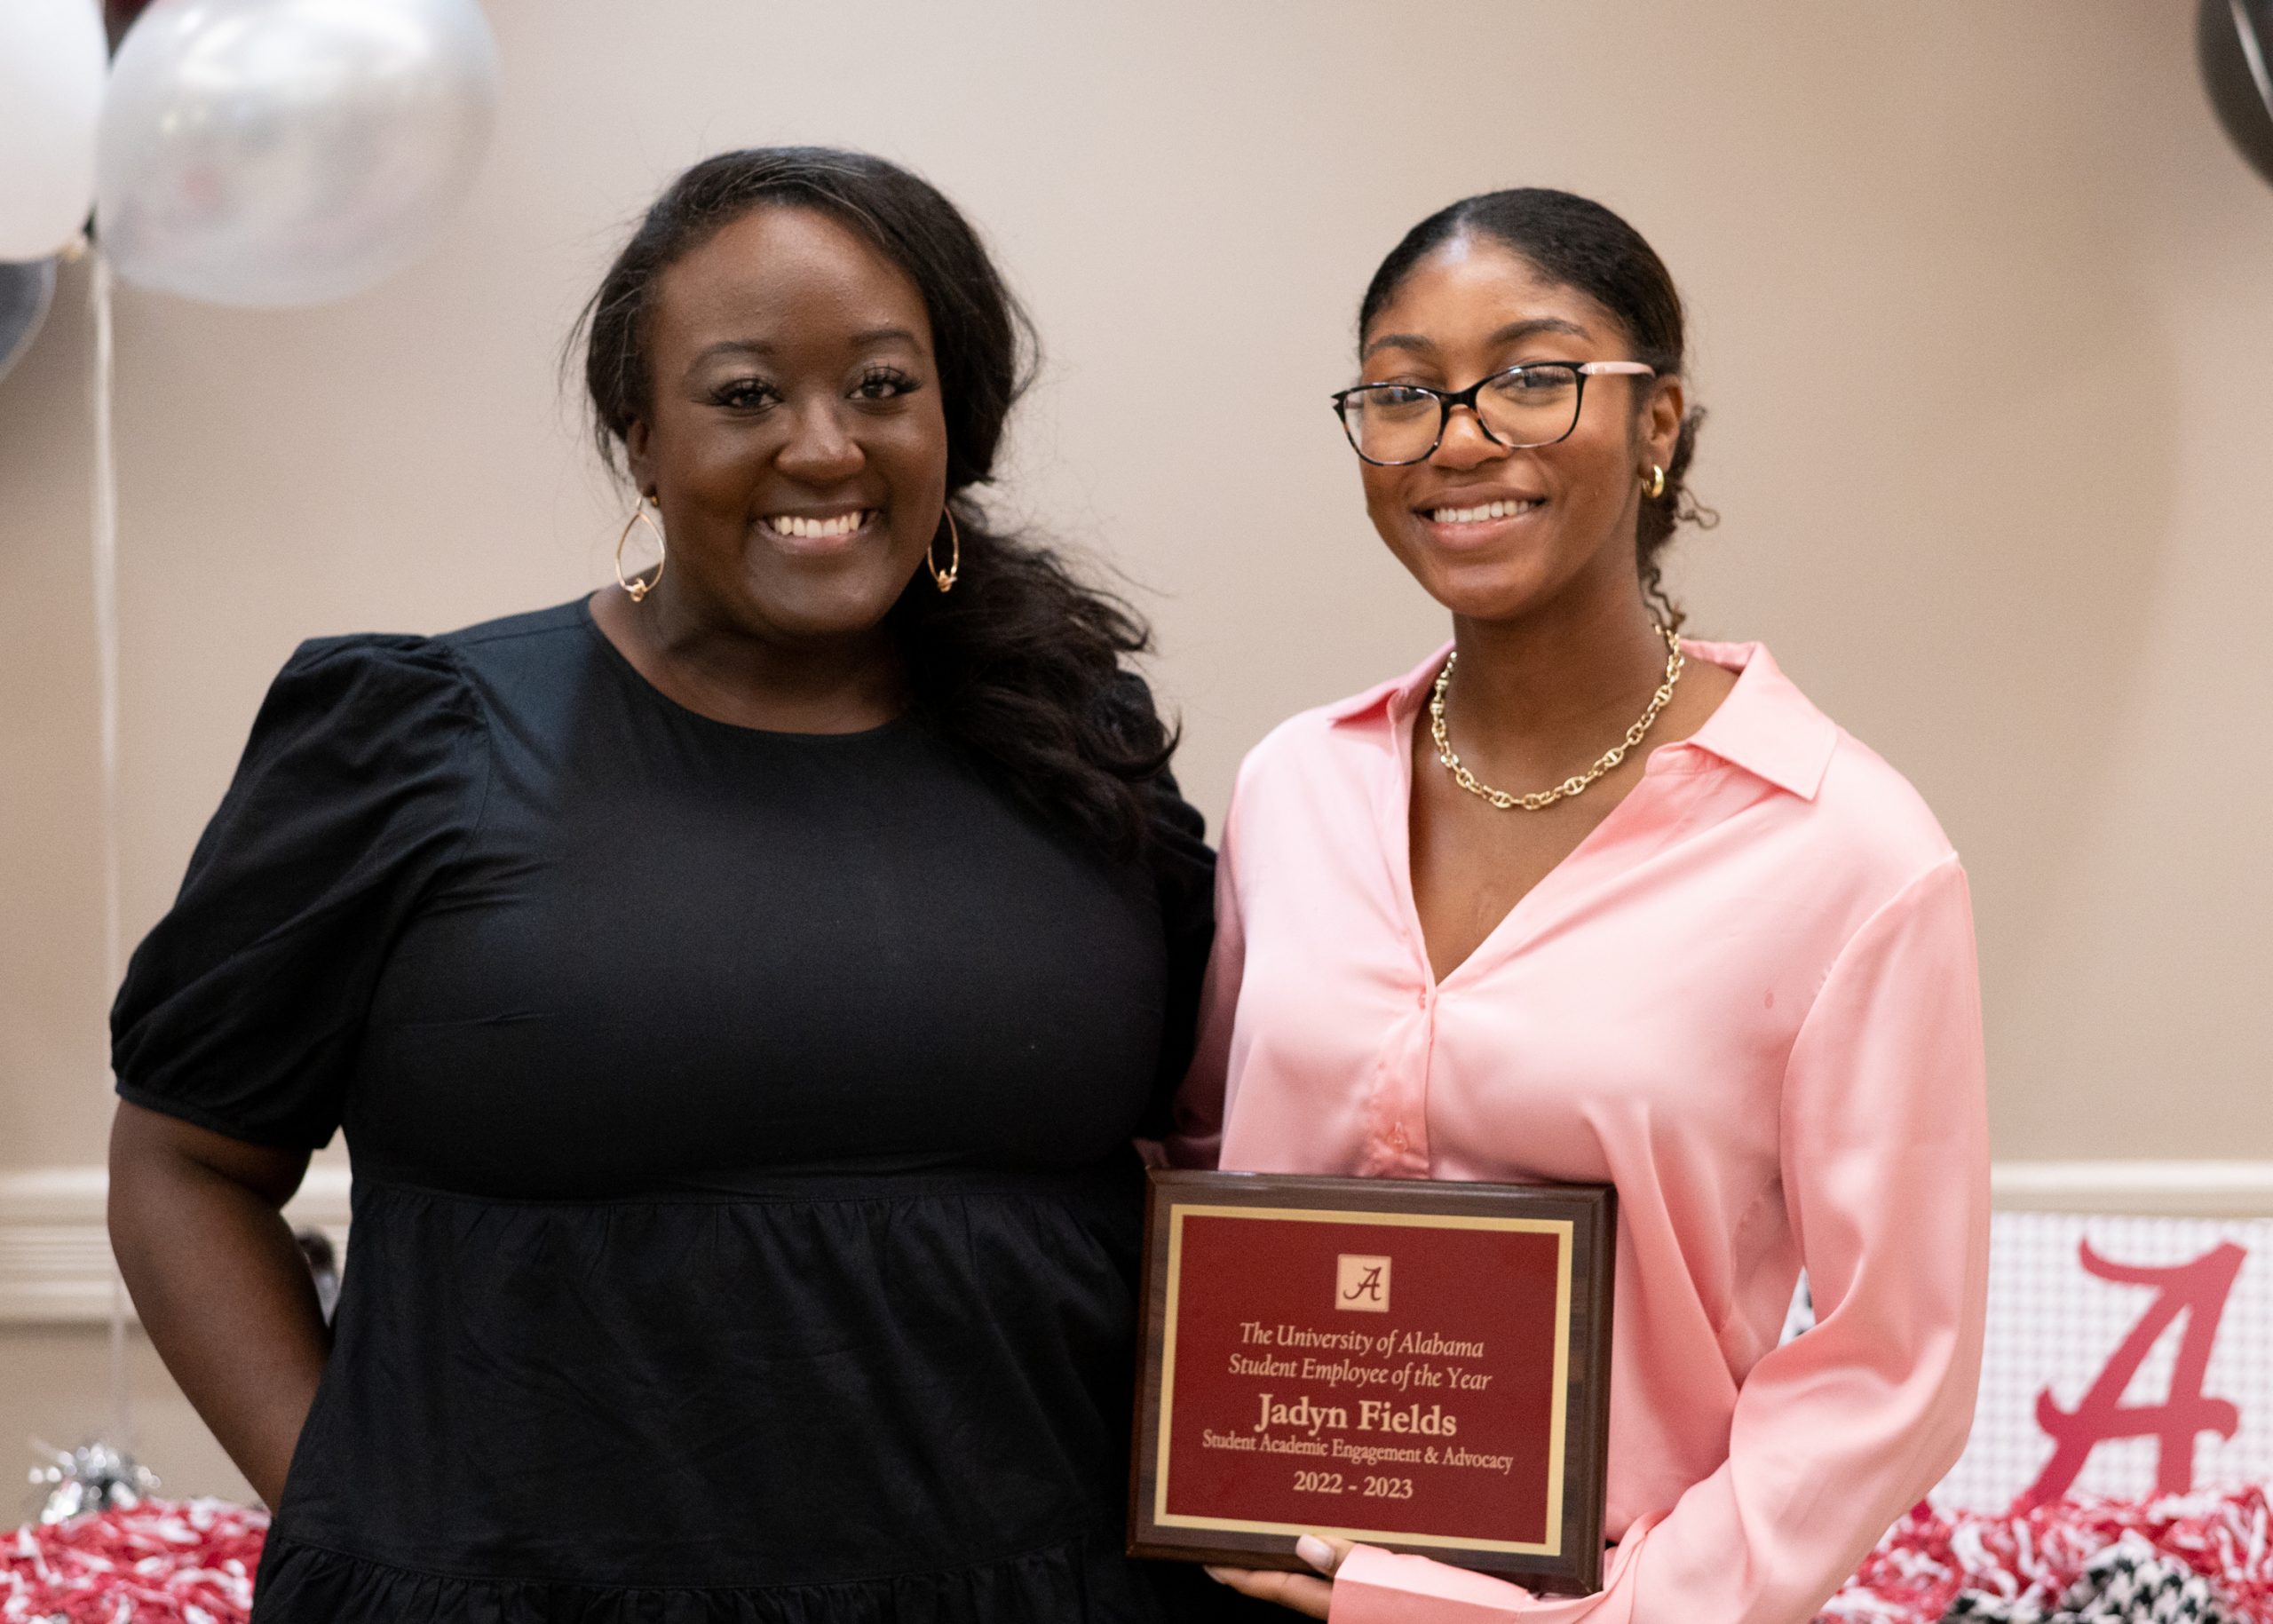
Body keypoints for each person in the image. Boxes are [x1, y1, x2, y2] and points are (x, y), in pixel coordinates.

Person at [107, 146, 1255, 1623]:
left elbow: (1209, 1148)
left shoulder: (1077, 745)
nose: (825, 446)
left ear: (956, 419)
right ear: (639, 438)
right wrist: (351, 1514)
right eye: (745, 394)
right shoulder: (418, 740)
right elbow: (182, 1162)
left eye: (885, 386)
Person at [1185, 188, 1990, 1623]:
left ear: (1661, 424)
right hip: (1243, 1589)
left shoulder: (1849, 851)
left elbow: (1892, 1369)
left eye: (1534, 377)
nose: (1461, 434)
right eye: (1403, 392)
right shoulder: (1291, 788)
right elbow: (1200, 1163)